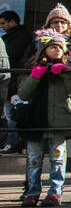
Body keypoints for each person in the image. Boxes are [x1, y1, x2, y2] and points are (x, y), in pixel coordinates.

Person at [16, 29, 71, 206]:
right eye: (53, 47)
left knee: (57, 159)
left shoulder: (68, 66)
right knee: (34, 160)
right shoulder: (34, 69)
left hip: (59, 121)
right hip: (36, 121)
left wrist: (66, 74)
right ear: (44, 50)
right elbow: (23, 94)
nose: (57, 50)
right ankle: (32, 193)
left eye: (60, 47)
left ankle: (55, 192)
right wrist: (35, 77)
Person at [2, 10, 33, 154]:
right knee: (12, 113)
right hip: (13, 81)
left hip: (15, 81)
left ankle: (14, 142)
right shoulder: (15, 37)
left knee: (12, 113)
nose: (2, 27)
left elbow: (10, 56)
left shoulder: (18, 37)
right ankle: (16, 142)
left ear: (13, 22)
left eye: (3, 23)